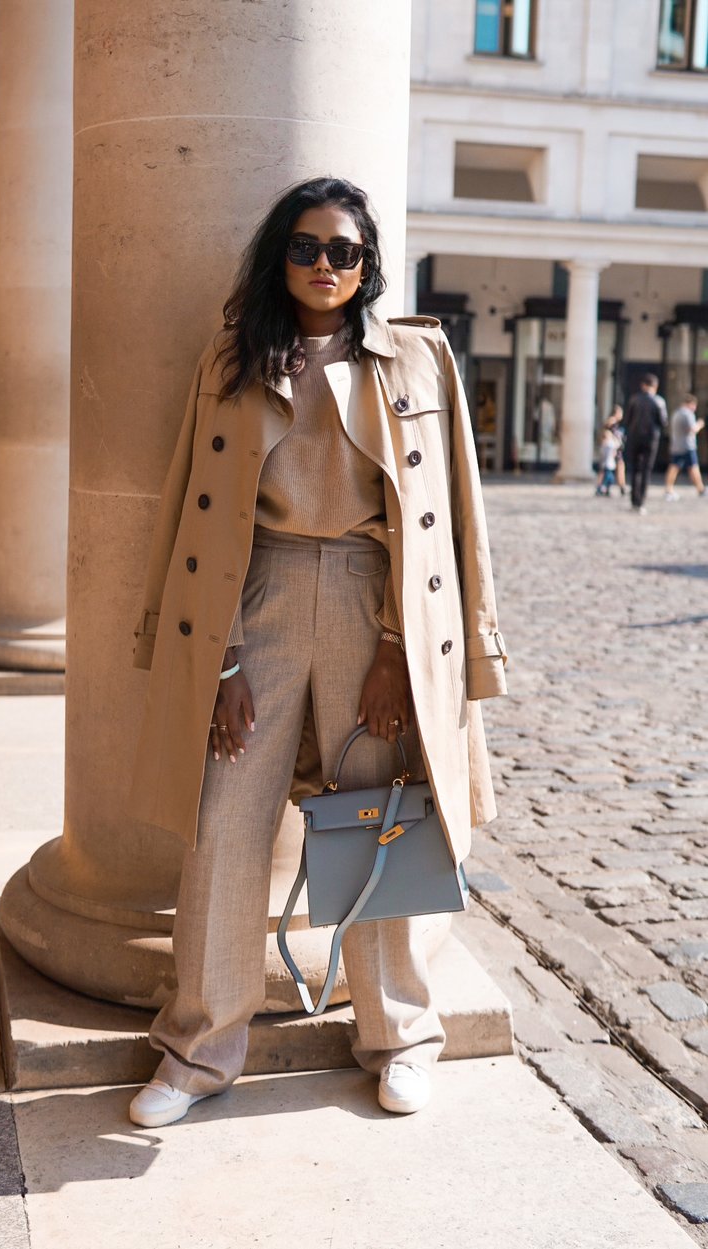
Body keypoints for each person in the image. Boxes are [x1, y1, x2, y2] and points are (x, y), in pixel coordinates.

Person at [127, 177, 508, 1129]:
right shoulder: (231, 360)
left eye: (345, 251)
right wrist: (214, 661)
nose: (325, 266)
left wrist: (396, 643)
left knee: (380, 822)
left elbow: (452, 517)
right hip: (250, 600)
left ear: (368, 262)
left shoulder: (417, 361)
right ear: (278, 258)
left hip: (371, 604)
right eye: (306, 248)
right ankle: (198, 1049)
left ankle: (400, 1037)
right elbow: (187, 513)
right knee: (222, 825)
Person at [623, 373, 667, 513]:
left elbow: (627, 420)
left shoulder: (634, 399)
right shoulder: (659, 401)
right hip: (650, 439)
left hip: (635, 438)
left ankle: (634, 501)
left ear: (643, 385)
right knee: (646, 470)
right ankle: (641, 502)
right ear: (655, 386)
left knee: (635, 470)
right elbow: (663, 422)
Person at [664, 394, 705, 501]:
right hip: (687, 445)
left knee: (674, 467)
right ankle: (700, 489)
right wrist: (700, 424)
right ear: (691, 404)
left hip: (676, 445)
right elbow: (693, 429)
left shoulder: (676, 413)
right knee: (694, 467)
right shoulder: (688, 414)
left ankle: (669, 489)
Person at [595, 423, 621, 496]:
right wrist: (615, 437)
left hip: (606, 464)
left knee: (606, 478)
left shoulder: (604, 445)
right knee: (609, 478)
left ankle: (603, 489)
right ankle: (603, 489)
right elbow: (617, 444)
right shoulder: (608, 444)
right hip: (608, 464)